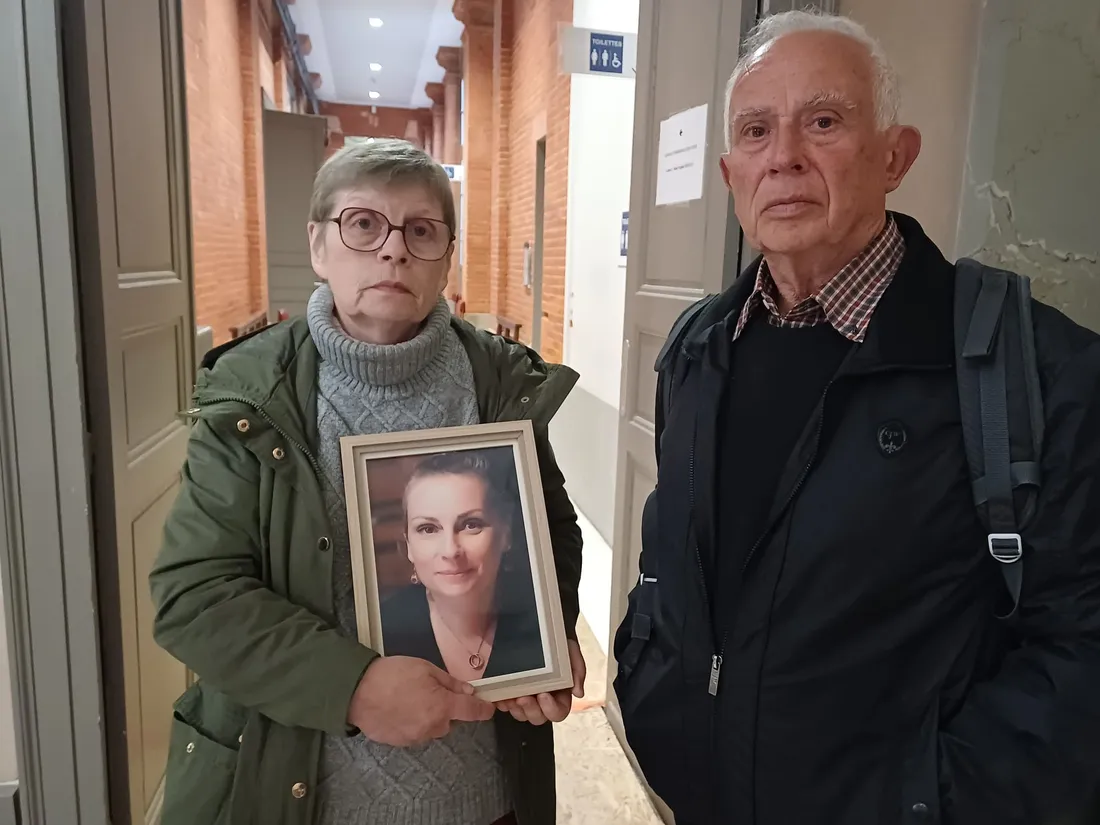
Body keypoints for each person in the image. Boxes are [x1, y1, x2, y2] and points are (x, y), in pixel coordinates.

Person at [614, 10, 1100, 825]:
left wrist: (935, 804)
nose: (784, 157)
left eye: (824, 122)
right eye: (757, 131)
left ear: (894, 156)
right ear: (731, 174)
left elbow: (1080, 647)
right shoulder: (697, 347)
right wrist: (648, 681)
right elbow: (672, 556)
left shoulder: (1039, 370)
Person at [150, 138, 586, 825]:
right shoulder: (252, 396)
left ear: (447, 256)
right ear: (318, 246)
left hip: (483, 792)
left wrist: (543, 637)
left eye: (421, 231)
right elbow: (195, 594)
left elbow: (547, 530)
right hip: (307, 793)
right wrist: (351, 686)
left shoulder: (502, 385)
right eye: (362, 224)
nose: (393, 251)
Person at [380, 449, 545, 681]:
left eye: (471, 525)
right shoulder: (382, 631)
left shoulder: (544, 621)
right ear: (408, 545)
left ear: (505, 533)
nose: (450, 551)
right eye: (428, 529)